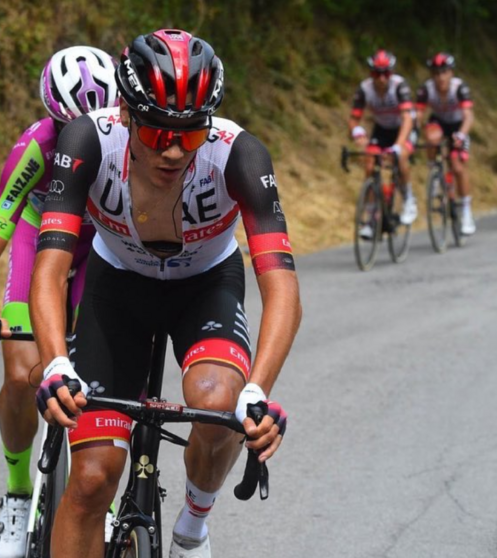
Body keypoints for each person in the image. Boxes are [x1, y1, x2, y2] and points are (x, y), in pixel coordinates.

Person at [29, 28, 302, 558]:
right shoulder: (88, 140)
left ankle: (194, 524)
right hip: (117, 291)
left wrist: (258, 391)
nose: (175, 150)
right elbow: (50, 268)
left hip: (205, 288)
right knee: (88, 481)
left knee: (219, 403)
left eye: (190, 133)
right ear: (127, 114)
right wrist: (55, 365)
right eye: (158, 133)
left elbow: (283, 288)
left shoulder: (240, 155)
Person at [0, 45, 119, 558]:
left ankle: (105, 488)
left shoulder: (125, 139)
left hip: (96, 242)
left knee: (111, 371)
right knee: (18, 372)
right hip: (38, 238)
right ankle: (16, 490)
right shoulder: (34, 147)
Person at [348, 49, 417, 239]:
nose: (381, 78)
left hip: (403, 128)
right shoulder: (365, 88)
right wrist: (357, 130)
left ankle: (409, 198)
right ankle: (372, 217)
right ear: (371, 73)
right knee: (370, 165)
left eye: (386, 73)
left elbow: (407, 119)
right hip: (382, 129)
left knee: (400, 156)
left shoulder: (399, 85)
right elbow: (354, 118)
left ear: (391, 72)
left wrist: (398, 145)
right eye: (377, 73)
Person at [416, 52, 476, 235]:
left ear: (451, 73)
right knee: (432, 137)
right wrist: (415, 130)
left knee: (457, 166)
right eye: (436, 73)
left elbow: (469, 115)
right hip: (439, 122)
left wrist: (461, 134)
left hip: (458, 125)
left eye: (444, 72)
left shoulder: (459, 88)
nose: (440, 77)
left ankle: (466, 210)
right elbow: (418, 114)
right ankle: (434, 170)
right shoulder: (426, 89)